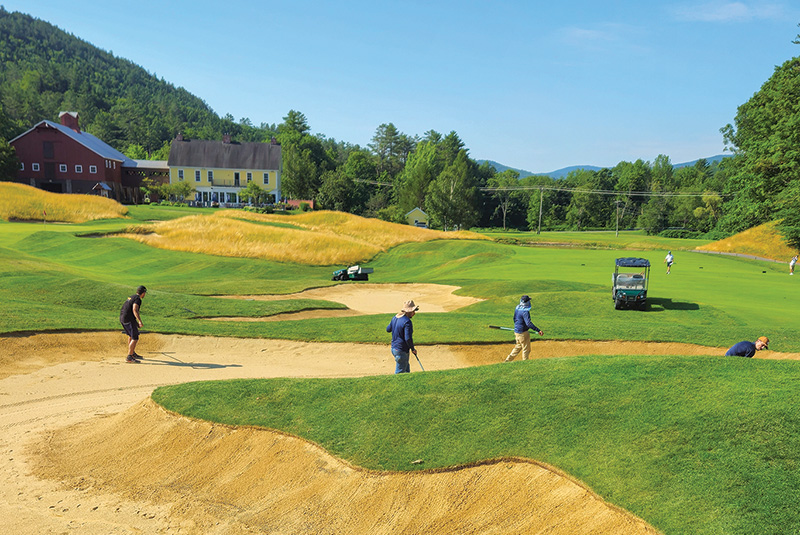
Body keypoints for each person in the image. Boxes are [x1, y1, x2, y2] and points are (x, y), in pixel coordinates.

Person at [504, 295, 543, 362]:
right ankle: (525, 363)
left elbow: (514, 319)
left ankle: (507, 360)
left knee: (518, 347)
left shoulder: (517, 308)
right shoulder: (525, 311)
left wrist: (517, 327)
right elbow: (528, 323)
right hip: (523, 333)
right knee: (526, 349)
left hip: (517, 332)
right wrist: (538, 330)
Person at [386, 300, 418, 374]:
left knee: (406, 368)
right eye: (413, 311)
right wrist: (413, 349)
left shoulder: (395, 318)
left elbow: (388, 329)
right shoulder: (407, 322)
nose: (414, 313)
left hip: (394, 348)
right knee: (399, 373)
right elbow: (408, 338)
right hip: (401, 350)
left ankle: (408, 383)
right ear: (409, 312)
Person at [120, 285, 147, 363]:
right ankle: (129, 357)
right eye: (144, 293)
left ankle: (132, 353)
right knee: (135, 338)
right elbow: (134, 309)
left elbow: (128, 310)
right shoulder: (138, 299)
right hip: (128, 319)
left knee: (131, 336)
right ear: (143, 293)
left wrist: (135, 323)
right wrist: (140, 321)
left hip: (123, 318)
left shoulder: (132, 297)